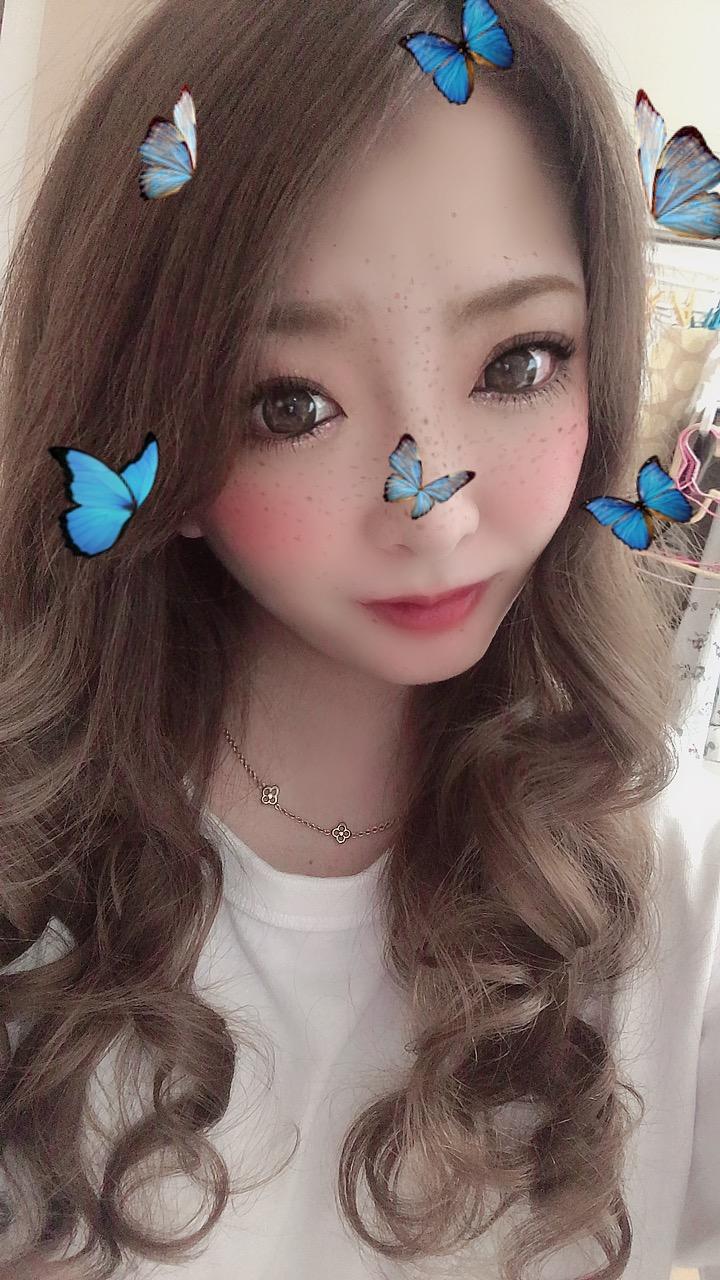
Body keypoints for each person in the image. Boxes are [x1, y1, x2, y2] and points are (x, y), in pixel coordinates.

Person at [0, 0, 718, 1277]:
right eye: (292, 402)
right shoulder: (28, 862)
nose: (433, 510)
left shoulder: (669, 884)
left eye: (518, 363)